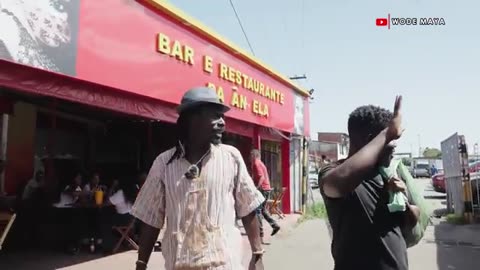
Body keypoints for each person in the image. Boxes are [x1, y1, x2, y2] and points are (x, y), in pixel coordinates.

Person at [132, 87, 265, 270]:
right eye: (215, 115)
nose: (222, 123)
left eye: (222, 117)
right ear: (192, 119)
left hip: (225, 265)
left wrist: (257, 254)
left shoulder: (231, 157)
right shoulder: (164, 163)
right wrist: (141, 264)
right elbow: (151, 218)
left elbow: (248, 207)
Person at [319, 96, 420, 270]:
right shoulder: (334, 172)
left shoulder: (389, 173)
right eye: (391, 141)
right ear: (370, 139)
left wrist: (403, 199)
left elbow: (412, 219)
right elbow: (335, 185)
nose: (394, 146)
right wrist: (386, 134)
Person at [100, 177, 136, 253]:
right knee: (109, 217)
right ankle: (123, 242)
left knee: (104, 221)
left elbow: (107, 202)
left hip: (123, 219)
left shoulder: (120, 193)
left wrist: (112, 187)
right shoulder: (132, 192)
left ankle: (108, 246)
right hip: (131, 218)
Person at [250, 149, 280, 241]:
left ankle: (260, 233)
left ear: (254, 155)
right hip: (266, 189)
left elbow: (261, 177)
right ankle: (274, 225)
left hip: (262, 189)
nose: (250, 158)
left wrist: (256, 188)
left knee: (257, 210)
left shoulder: (256, 163)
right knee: (262, 210)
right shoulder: (261, 163)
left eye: (251, 156)